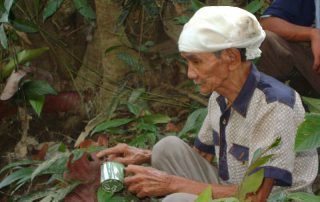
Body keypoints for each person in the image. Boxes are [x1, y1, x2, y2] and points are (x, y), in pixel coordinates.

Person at [96, 6, 318, 202]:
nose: (190, 74)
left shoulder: (274, 105)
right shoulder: (219, 96)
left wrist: (170, 183)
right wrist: (143, 155)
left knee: (178, 199)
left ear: (231, 58)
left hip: (271, 199)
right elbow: (201, 157)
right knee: (166, 148)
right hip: (235, 189)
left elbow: (256, 196)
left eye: (196, 62)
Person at [257, 0, 320, 96]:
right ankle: (288, 94)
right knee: (266, 39)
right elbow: (268, 23)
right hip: (313, 66)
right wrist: (313, 34)